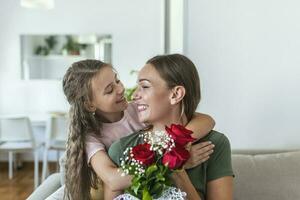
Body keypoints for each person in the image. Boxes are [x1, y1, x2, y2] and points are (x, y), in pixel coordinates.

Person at [51, 59, 216, 200]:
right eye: (109, 90)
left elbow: (205, 120)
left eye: (117, 80)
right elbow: (113, 180)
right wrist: (170, 165)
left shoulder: (138, 109)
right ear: (90, 104)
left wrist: (178, 149)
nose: (120, 89)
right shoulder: (91, 136)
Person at [108, 54, 234, 200]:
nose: (135, 95)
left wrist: (178, 173)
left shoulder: (214, 144)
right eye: (137, 87)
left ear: (176, 94)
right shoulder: (121, 149)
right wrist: (167, 165)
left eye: (145, 86)